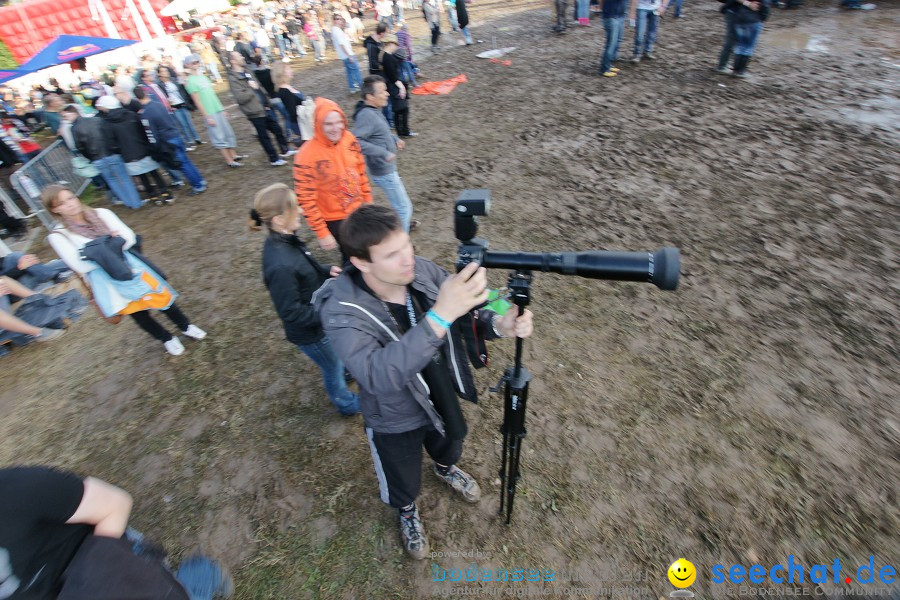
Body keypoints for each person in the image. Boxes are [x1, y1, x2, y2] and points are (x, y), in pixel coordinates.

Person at [314, 205, 534, 560]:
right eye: (392, 255)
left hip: (440, 391)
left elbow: (465, 314)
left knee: (450, 441)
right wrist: (440, 314)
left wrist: (499, 325)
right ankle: (407, 511)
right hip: (393, 416)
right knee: (402, 476)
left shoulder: (421, 271)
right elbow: (376, 374)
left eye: (407, 245)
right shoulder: (341, 312)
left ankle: (445, 467)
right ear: (362, 263)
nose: (408, 259)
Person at [0, 465, 233, 599]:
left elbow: (114, 504)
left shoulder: (12, 491)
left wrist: (92, 590)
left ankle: (198, 578)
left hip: (106, 569)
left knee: (176, 592)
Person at [43, 184, 207, 356]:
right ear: (55, 209)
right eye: (62, 203)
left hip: (132, 266)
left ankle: (186, 326)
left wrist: (99, 252)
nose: (70, 204)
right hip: (106, 278)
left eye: (70, 197)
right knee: (137, 312)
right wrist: (113, 244)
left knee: (162, 299)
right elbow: (80, 265)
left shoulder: (101, 214)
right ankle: (166, 338)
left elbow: (128, 238)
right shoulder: (59, 236)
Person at [250, 183, 360, 416]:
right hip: (311, 334)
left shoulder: (285, 239)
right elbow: (291, 313)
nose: (301, 211)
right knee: (331, 367)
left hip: (318, 321)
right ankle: (346, 403)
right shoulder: (280, 265)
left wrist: (324, 269)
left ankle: (344, 370)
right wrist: (328, 311)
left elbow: (302, 268)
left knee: (336, 358)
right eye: (295, 207)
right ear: (279, 219)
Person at [292, 98, 372, 256]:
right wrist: (322, 233)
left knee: (368, 248)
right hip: (335, 220)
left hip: (358, 209)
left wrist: (368, 201)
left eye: (339, 122)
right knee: (352, 256)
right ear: (318, 124)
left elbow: (361, 171)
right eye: (329, 124)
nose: (336, 128)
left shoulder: (349, 139)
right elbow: (306, 199)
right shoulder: (305, 156)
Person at [353, 75, 416, 232]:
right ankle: (401, 240)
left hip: (386, 168)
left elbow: (379, 132)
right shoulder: (366, 115)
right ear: (370, 96)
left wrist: (394, 139)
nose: (387, 94)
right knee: (404, 207)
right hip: (383, 170)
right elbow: (356, 141)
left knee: (400, 205)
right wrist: (382, 152)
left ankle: (403, 224)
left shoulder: (374, 110)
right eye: (382, 91)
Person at [95, 96, 174, 206]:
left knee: (142, 176)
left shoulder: (106, 124)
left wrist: (121, 151)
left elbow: (111, 143)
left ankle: (153, 196)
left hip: (128, 155)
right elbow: (143, 131)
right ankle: (166, 193)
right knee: (154, 172)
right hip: (144, 149)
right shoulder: (131, 115)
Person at [66, 105, 144, 210]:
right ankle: (136, 202)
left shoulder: (74, 128)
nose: (66, 119)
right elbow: (110, 135)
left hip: (97, 158)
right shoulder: (97, 120)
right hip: (111, 154)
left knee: (112, 181)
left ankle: (129, 202)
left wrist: (90, 157)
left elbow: (80, 146)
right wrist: (115, 149)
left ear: (74, 113)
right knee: (125, 179)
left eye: (66, 116)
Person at [134, 87, 207, 196]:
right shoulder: (159, 105)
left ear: (137, 98)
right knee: (186, 161)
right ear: (146, 94)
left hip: (167, 141)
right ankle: (200, 180)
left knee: (182, 164)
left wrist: (156, 148)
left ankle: (198, 185)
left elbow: (151, 134)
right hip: (176, 135)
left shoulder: (145, 114)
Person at [226, 51, 293, 167]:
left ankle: (285, 150)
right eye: (239, 56)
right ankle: (274, 159)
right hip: (254, 112)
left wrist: (266, 101)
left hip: (264, 107)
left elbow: (259, 87)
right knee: (264, 137)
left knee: (277, 129)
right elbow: (240, 98)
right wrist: (251, 89)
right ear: (233, 61)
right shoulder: (233, 79)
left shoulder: (247, 71)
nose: (242, 57)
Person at [184, 54, 243, 168]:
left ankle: (234, 155)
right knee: (219, 136)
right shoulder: (190, 81)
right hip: (210, 112)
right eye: (193, 63)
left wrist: (222, 108)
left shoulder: (203, 77)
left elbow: (212, 95)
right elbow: (197, 101)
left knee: (227, 133)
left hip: (217, 109)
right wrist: (207, 116)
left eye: (197, 61)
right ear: (187, 65)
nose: (196, 64)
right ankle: (229, 160)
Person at [715, 0, 770, 77]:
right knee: (733, 40)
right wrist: (748, 4)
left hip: (739, 12)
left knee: (738, 42)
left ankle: (730, 67)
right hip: (734, 12)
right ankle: (723, 66)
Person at [157, 65, 203, 150]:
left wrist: (188, 103)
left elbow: (183, 91)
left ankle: (197, 138)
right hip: (175, 107)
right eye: (163, 71)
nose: (166, 72)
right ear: (159, 74)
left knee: (189, 123)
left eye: (166, 71)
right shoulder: (160, 85)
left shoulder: (174, 80)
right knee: (183, 125)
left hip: (182, 104)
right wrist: (169, 105)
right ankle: (189, 141)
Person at [378, 36, 415, 138]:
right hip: (395, 87)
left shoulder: (384, 55)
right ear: (390, 44)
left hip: (392, 86)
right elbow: (393, 76)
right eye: (396, 44)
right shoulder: (388, 57)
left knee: (398, 110)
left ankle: (401, 132)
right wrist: (402, 87)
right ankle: (404, 132)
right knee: (402, 109)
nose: (397, 47)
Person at [272, 61, 305, 142]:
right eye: (288, 69)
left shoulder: (286, 88)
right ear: (281, 73)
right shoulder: (285, 91)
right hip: (300, 124)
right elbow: (293, 112)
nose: (291, 70)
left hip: (301, 123)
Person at [332, 14, 364, 94]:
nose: (339, 20)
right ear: (334, 20)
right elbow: (341, 44)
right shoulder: (336, 30)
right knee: (355, 71)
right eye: (337, 19)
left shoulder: (336, 30)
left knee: (349, 72)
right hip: (347, 54)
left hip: (344, 55)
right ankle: (361, 86)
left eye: (340, 18)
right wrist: (349, 55)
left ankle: (352, 87)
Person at [599, 0, 626, 77]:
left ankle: (608, 65)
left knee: (612, 44)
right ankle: (605, 69)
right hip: (611, 17)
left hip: (614, 16)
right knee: (611, 44)